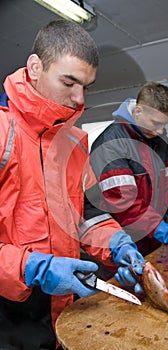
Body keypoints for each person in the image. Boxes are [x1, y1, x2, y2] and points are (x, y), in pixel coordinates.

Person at [0, 20, 145, 350]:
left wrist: (117, 243)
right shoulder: (2, 131)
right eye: (69, 82)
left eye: (86, 86)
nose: (79, 99)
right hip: (9, 314)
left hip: (64, 307)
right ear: (35, 67)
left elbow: (88, 214)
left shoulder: (76, 144)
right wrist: (32, 267)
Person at [90, 81, 168, 257]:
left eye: (164, 125)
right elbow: (123, 204)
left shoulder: (157, 140)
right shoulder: (111, 144)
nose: (161, 131)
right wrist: (165, 232)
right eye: (155, 123)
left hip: (154, 233)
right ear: (138, 111)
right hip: (124, 242)